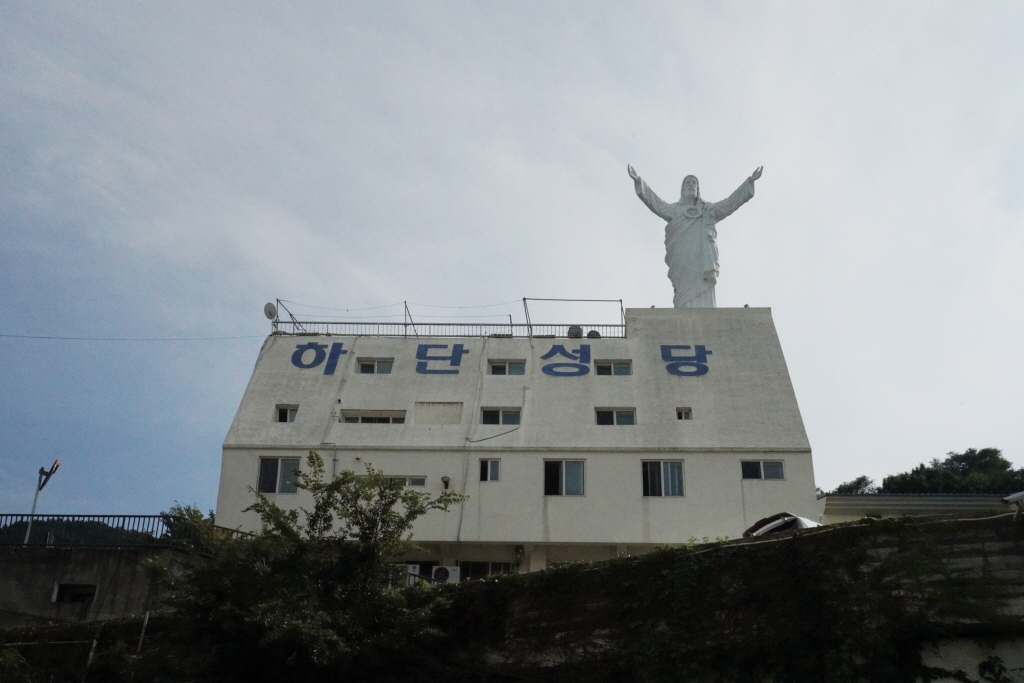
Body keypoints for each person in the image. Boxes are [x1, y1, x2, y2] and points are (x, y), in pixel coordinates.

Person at [628, 165, 762, 308]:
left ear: (698, 189)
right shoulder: (674, 210)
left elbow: (729, 203)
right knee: (684, 288)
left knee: (703, 285)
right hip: (682, 257)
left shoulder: (708, 209)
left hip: (703, 257)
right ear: (682, 189)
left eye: (694, 183)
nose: (691, 185)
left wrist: (749, 182)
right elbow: (656, 203)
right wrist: (639, 182)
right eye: (688, 183)